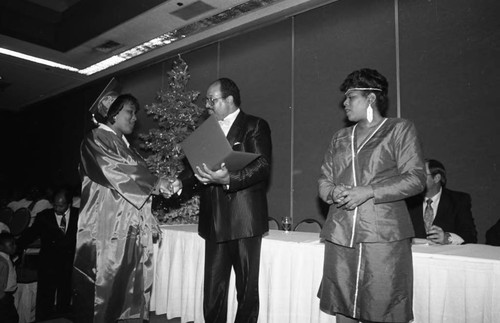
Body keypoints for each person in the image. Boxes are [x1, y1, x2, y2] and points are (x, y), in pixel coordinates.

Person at [317, 68, 426, 323]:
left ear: (371, 98)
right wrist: (333, 192)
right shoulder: (340, 137)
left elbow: (416, 178)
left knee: (383, 306)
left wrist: (368, 192)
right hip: (341, 235)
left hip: (383, 236)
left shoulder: (399, 129)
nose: (344, 103)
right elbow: (324, 179)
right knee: (342, 304)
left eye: (351, 97)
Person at [169, 78, 272, 323]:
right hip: (213, 218)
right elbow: (196, 168)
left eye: (212, 100)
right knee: (213, 288)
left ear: (229, 100)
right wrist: (180, 183)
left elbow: (263, 166)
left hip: (244, 219)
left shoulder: (254, 125)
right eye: (207, 100)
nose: (207, 105)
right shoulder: (206, 130)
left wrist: (229, 178)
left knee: (246, 290)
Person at [73, 93, 170, 322]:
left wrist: (161, 183)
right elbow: (119, 171)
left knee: (126, 286)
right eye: (130, 112)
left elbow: (136, 172)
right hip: (105, 225)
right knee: (105, 286)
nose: (135, 118)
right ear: (113, 112)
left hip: (127, 224)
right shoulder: (96, 139)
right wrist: (156, 183)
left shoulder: (124, 144)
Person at [16, 187, 79, 321]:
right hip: (48, 264)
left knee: (65, 296)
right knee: (45, 299)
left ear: (69, 204)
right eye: (55, 205)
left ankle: (63, 317)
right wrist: (15, 247)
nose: (57, 209)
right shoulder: (44, 216)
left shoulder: (79, 215)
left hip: (69, 263)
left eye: (61, 206)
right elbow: (30, 235)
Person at [406, 159, 477, 244]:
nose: (416, 180)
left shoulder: (458, 201)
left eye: (422, 175)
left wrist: (446, 238)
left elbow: (470, 236)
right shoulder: (407, 201)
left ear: (436, 178)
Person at [0, 232, 18, 323]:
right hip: (3, 298)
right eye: (11, 245)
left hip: (7, 296)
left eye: (15, 243)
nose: (15, 246)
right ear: (1, 247)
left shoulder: (7, 258)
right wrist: (3, 298)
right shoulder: (2, 262)